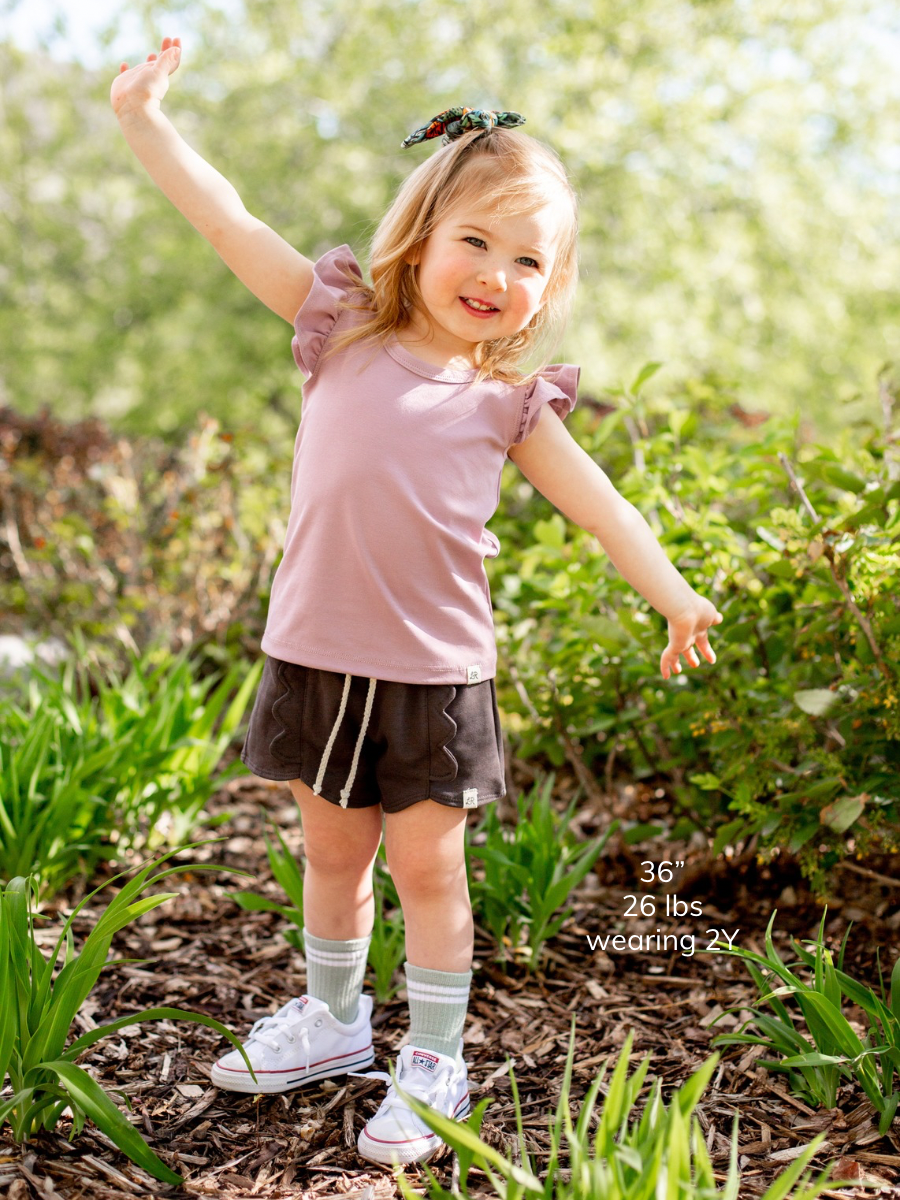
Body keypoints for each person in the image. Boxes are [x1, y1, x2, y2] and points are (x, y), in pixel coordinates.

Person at [111, 39, 723, 1168]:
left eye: (530, 259)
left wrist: (677, 595)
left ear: (553, 285)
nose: (498, 271)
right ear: (423, 238)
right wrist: (146, 122)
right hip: (316, 659)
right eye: (477, 241)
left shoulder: (512, 405)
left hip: (437, 680)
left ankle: (434, 1056)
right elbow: (227, 220)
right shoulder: (338, 328)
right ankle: (337, 1025)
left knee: (428, 870)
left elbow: (607, 514)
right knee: (330, 857)